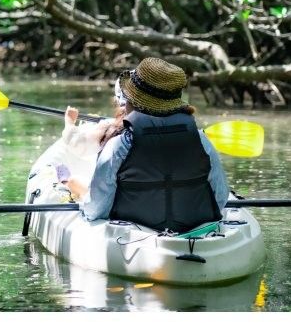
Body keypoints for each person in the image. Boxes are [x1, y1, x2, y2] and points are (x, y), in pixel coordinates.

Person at [78, 57, 230, 234]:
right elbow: (220, 197)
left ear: (134, 102)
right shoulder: (201, 140)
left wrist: (82, 203)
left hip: (134, 239)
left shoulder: (119, 145)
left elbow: (96, 209)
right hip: (195, 231)